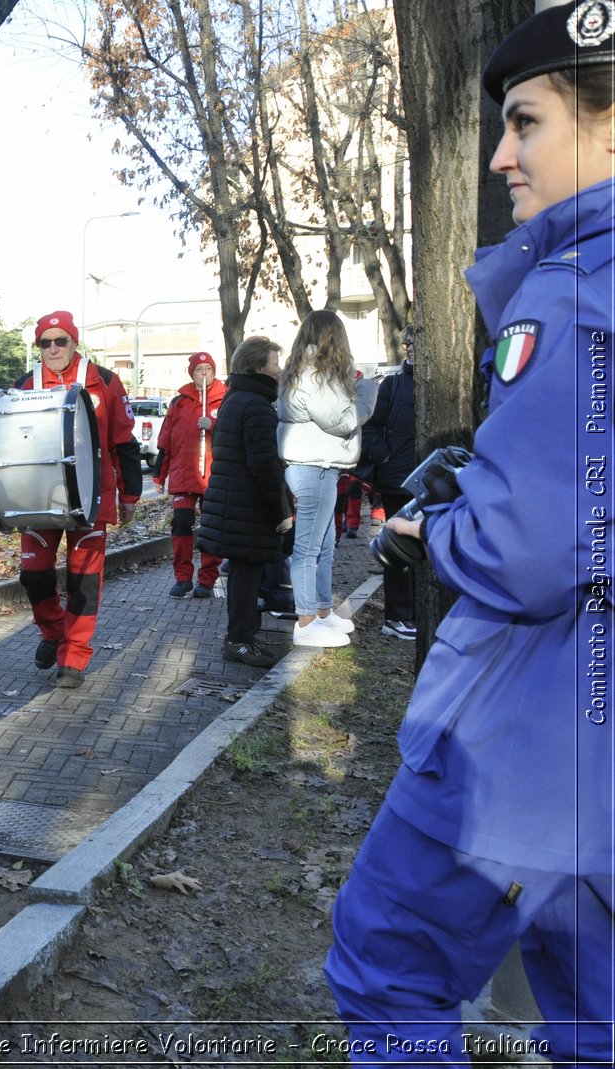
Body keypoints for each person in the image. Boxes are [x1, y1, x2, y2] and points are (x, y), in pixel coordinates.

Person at [325, 5, 614, 1059]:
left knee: (386, 957)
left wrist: (432, 529)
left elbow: (524, 551)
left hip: (530, 722)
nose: (500, 155)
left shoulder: (578, 291)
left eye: (524, 123)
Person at [11, 311, 141, 688]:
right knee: (34, 575)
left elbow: (123, 441)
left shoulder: (106, 381)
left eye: (60, 341)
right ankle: (53, 632)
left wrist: (130, 494)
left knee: (84, 582)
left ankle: (74, 659)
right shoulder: (25, 384)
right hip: (40, 497)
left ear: (74, 342)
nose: (52, 349)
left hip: (91, 498)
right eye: (45, 343)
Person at [276, 310, 376, 648]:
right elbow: (343, 420)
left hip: (319, 465)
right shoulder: (313, 375)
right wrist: (367, 395)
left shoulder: (308, 372)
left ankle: (320, 611)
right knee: (308, 548)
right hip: (313, 466)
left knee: (323, 546)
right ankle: (306, 622)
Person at [196, 337, 291, 668]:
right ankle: (239, 641)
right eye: (275, 363)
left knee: (242, 575)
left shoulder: (236, 399)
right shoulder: (256, 406)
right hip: (247, 508)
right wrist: (282, 510)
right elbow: (264, 465)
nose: (280, 370)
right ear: (258, 367)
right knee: (246, 578)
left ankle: (243, 637)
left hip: (233, 506)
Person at [360, 326, 418, 640]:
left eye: (415, 341)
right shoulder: (393, 385)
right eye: (407, 342)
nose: (409, 347)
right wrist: (385, 457)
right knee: (401, 551)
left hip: (437, 482)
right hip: (399, 481)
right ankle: (397, 616)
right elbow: (369, 427)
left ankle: (421, 613)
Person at [155, 351, 225, 599]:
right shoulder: (179, 402)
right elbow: (166, 440)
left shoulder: (225, 399)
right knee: (181, 523)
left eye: (208, 368)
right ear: (191, 372)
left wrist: (214, 426)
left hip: (215, 478)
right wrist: (159, 475)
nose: (204, 373)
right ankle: (182, 578)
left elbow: (235, 435)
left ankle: (206, 579)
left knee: (211, 528)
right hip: (184, 475)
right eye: (199, 369)